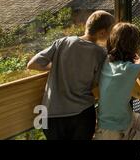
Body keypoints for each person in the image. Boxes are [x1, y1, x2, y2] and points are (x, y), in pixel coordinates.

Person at [27, 10, 115, 140]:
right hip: (81, 114)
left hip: (51, 115)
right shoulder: (99, 54)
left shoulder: (62, 42)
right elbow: (97, 84)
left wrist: (56, 66)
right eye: (111, 32)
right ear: (102, 32)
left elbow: (33, 64)